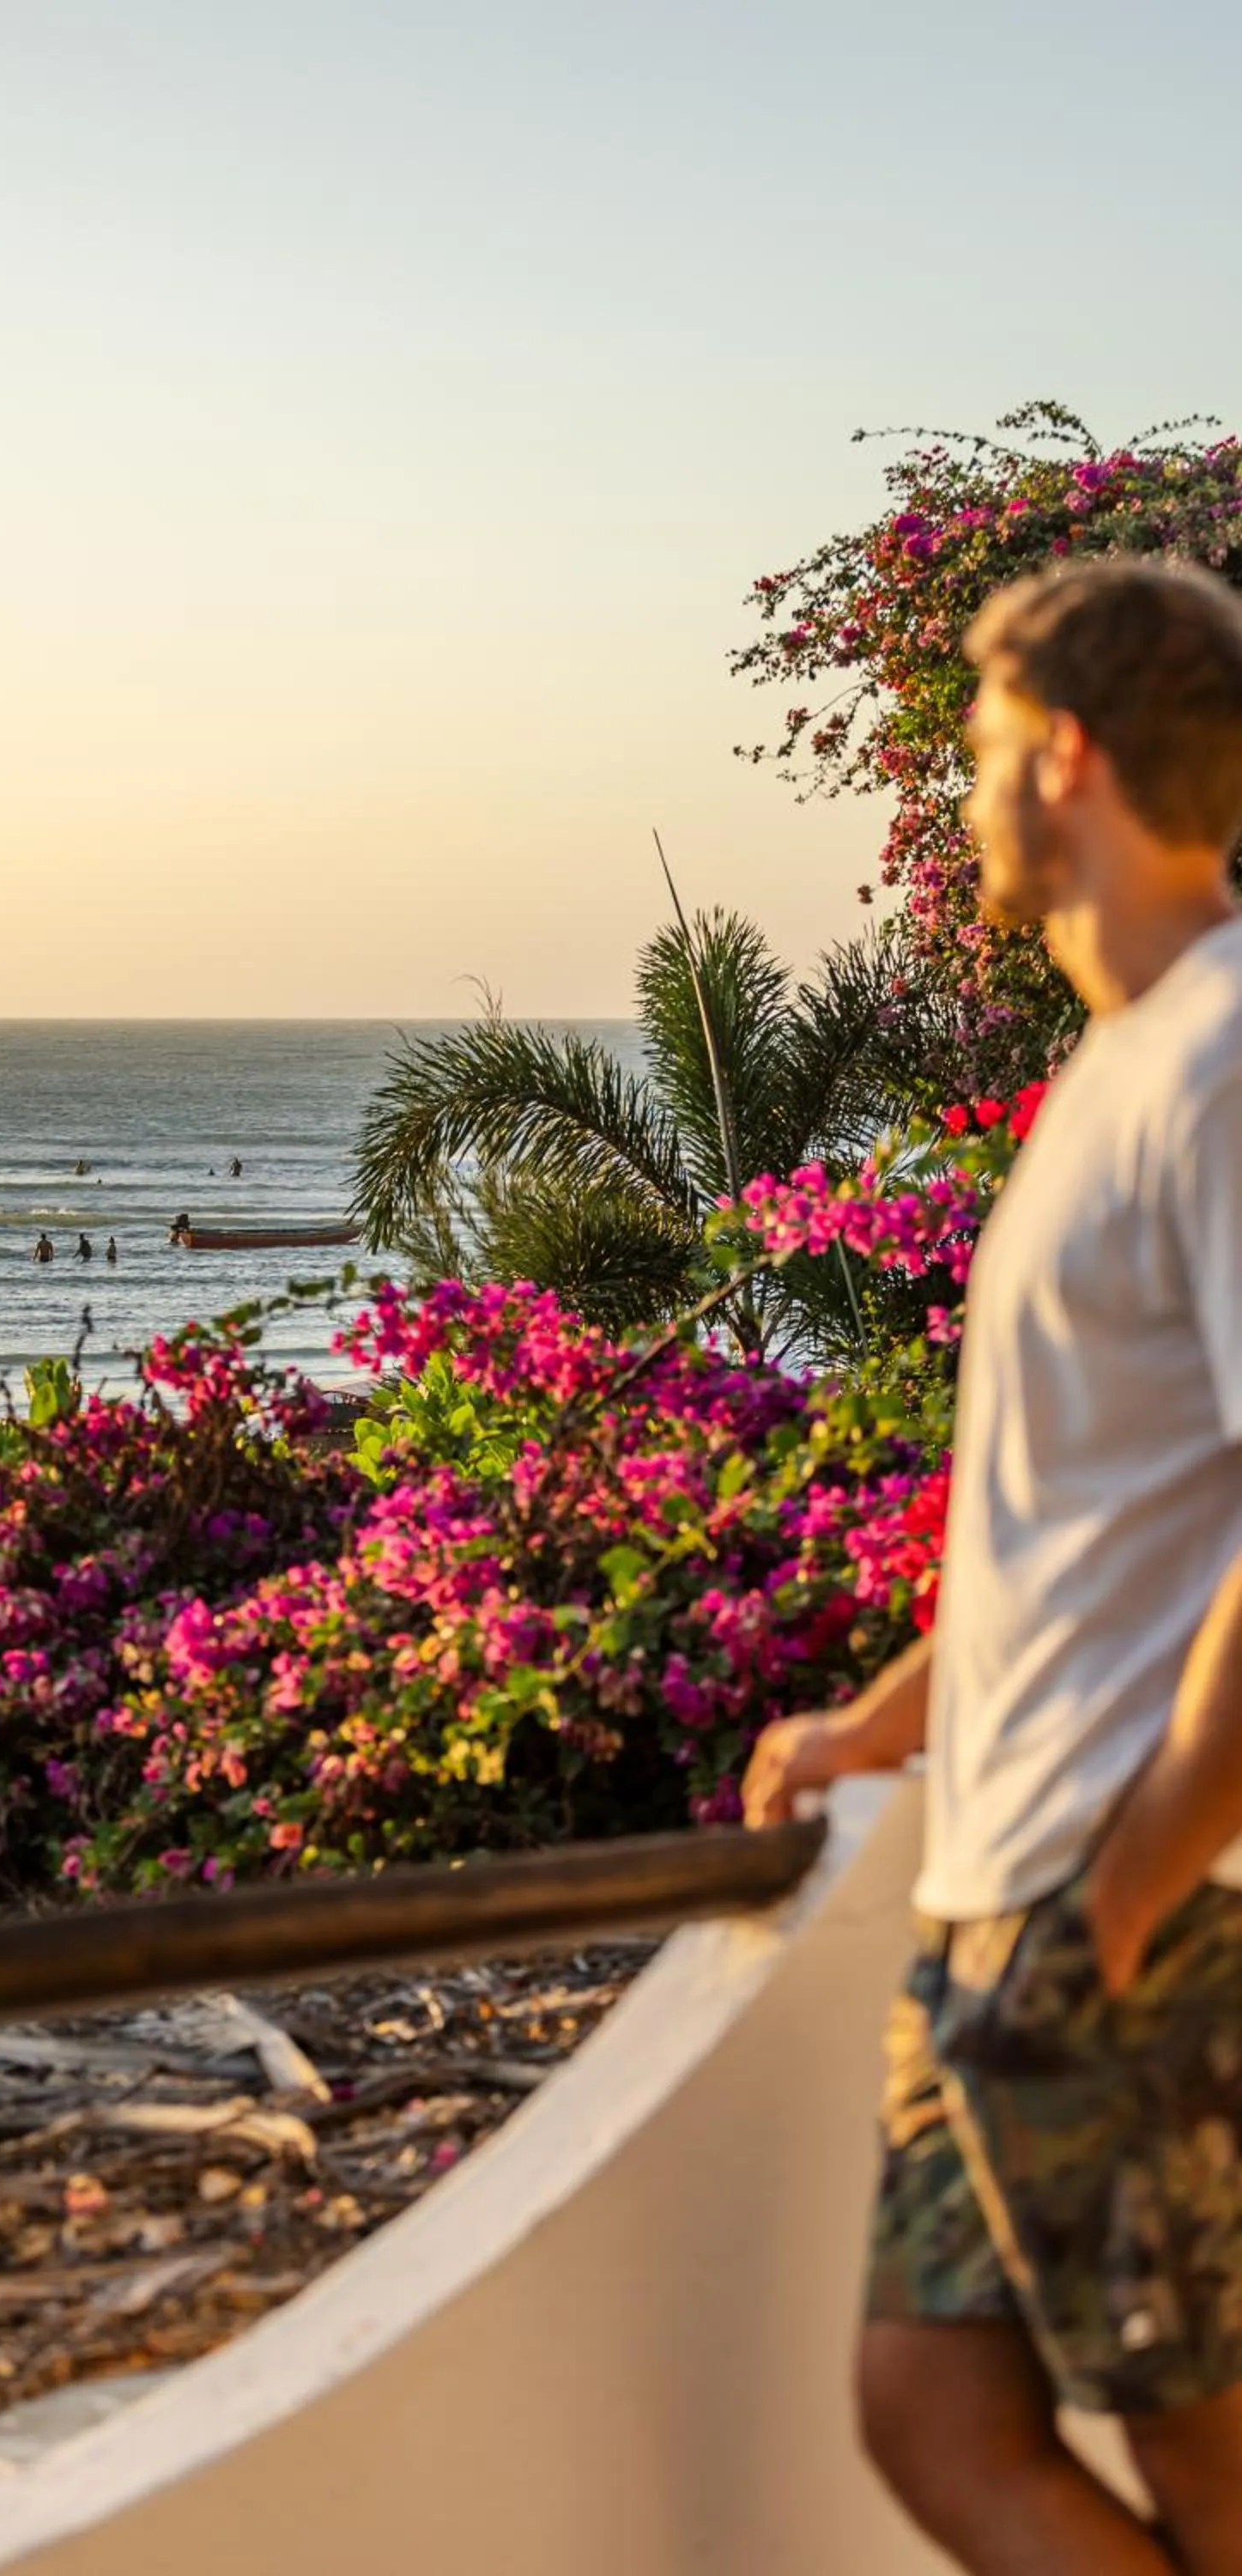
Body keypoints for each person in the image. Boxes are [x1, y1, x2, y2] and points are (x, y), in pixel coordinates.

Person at [742, 561, 1242, 2576]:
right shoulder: (1114, 1069)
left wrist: (1125, 1887)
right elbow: (1077, 1520)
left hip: (1121, 1903)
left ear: (1068, 760)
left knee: (1213, 2471)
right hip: (1002, 1884)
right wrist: (878, 1720)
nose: (964, 804)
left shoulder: (1217, 1066)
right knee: (928, 2412)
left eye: (976, 755)